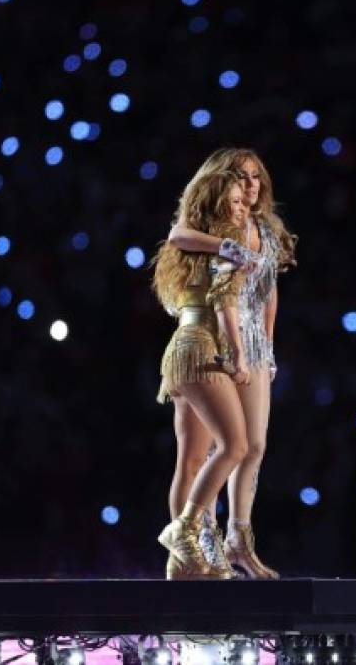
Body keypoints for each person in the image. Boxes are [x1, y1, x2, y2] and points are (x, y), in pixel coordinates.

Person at [165, 148, 297, 578]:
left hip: (253, 342)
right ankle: (196, 542)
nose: (250, 185)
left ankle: (238, 539)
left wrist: (269, 347)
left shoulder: (264, 229)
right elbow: (178, 238)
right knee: (206, 451)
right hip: (215, 340)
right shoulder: (215, 224)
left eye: (257, 177)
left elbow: (270, 294)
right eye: (241, 177)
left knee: (251, 446)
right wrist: (225, 243)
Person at [151, 170, 256, 579]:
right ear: (216, 203)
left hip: (181, 345)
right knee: (236, 446)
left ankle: (185, 564)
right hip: (203, 348)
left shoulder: (191, 245)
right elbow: (225, 304)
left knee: (191, 459)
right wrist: (238, 356)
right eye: (234, 200)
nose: (242, 206)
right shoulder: (226, 247)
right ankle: (185, 531)